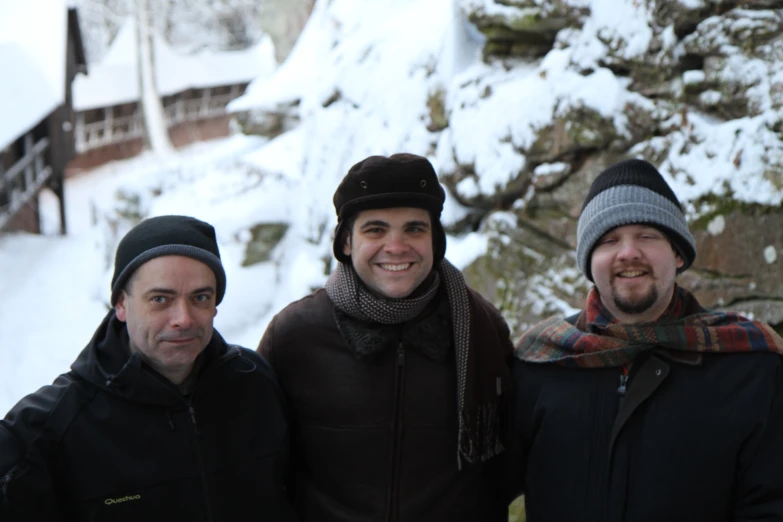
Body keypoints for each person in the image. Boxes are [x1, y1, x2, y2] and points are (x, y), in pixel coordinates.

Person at [511, 159, 783, 521]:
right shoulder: (541, 364)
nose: (628, 253)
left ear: (678, 253)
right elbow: (472, 489)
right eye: (609, 240)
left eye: (647, 235)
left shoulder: (749, 367)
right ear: (590, 261)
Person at [258, 153, 513, 521]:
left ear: (435, 238)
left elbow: (507, 464)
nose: (396, 247)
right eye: (375, 230)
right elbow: (261, 468)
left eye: (414, 229)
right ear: (346, 241)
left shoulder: (481, 327)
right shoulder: (295, 336)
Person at [0, 215, 296, 521]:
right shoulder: (54, 424)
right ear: (121, 305)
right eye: (160, 299)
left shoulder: (255, 384)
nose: (183, 318)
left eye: (200, 297)